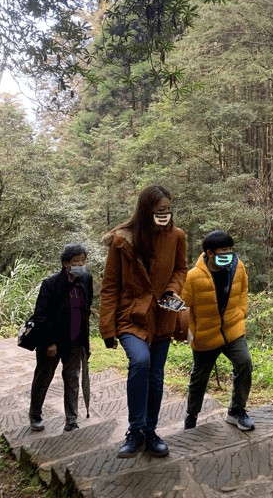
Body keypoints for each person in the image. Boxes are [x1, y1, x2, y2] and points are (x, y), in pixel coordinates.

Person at [99, 184, 187, 458]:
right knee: (140, 362)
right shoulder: (122, 240)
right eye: (160, 210)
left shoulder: (177, 236)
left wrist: (173, 289)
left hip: (162, 315)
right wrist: (107, 328)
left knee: (157, 378)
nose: (166, 215)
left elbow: (181, 268)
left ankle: (150, 431)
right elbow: (110, 286)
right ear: (146, 209)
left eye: (168, 210)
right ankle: (135, 430)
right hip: (131, 315)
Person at [181, 229, 254, 431]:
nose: (229, 254)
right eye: (224, 250)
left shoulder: (237, 267)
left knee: (244, 363)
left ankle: (236, 411)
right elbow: (183, 306)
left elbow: (243, 291)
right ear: (210, 253)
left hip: (232, 328)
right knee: (199, 379)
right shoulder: (193, 277)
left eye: (231, 249)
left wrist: (241, 312)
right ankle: (191, 416)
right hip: (204, 335)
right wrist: (190, 332)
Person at [29, 243, 93, 433]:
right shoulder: (51, 283)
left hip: (75, 341)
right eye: (76, 261)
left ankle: (71, 420)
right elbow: (41, 315)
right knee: (43, 378)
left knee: (72, 379)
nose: (81, 264)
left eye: (83, 260)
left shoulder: (86, 280)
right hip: (52, 343)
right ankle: (35, 415)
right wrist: (49, 342)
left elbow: (86, 309)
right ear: (66, 263)